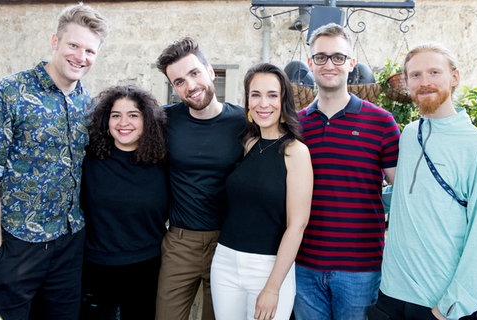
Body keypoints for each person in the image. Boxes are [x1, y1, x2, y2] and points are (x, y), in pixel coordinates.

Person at [0, 4, 108, 320]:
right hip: (17, 244)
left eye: (90, 51)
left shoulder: (88, 102)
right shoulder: (9, 92)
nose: (80, 56)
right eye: (74, 45)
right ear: (55, 41)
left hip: (70, 244)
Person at [369, 42, 477, 320]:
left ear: (454, 77)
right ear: (406, 83)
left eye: (434, 72)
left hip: (439, 302)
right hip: (391, 293)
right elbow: (412, 195)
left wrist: (451, 307)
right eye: (415, 75)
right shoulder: (409, 135)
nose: (425, 82)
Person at [293, 23, 401, 320]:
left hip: (360, 269)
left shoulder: (381, 122)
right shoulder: (295, 125)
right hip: (303, 265)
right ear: (310, 62)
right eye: (321, 57)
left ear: (351, 63)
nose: (330, 64)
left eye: (338, 57)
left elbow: (404, 193)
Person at [210, 63, 313, 320]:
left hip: (269, 267)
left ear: (283, 101)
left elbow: (297, 225)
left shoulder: (295, 151)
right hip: (225, 262)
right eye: (255, 94)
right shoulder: (246, 143)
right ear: (247, 100)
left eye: (272, 95)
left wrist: (272, 287)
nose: (262, 103)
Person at [154, 37, 246, 320]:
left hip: (229, 244)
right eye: (179, 81)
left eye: (194, 73)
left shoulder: (243, 122)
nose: (190, 86)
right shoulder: (164, 120)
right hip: (181, 240)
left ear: (210, 70)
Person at [79, 85, 168, 320]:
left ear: (147, 121)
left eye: (133, 115)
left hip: (146, 268)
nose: (123, 122)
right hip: (96, 269)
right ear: (106, 122)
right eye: (116, 115)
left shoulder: (163, 163)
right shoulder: (89, 160)